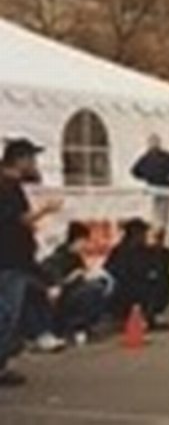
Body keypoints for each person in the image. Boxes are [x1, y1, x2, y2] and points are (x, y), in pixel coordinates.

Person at [0, 137, 66, 386]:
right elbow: (18, 219)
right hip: (9, 260)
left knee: (16, 309)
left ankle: (8, 359)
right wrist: (46, 209)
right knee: (6, 314)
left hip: (16, 259)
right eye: (32, 158)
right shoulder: (7, 186)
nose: (35, 164)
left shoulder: (10, 185)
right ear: (21, 160)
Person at [40, 221, 110, 344]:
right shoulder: (59, 257)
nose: (86, 245)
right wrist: (73, 277)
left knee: (101, 284)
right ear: (77, 240)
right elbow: (57, 283)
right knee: (93, 290)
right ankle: (75, 327)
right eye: (85, 241)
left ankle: (85, 325)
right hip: (64, 297)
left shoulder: (76, 257)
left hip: (75, 291)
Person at [104, 218, 169, 332]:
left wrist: (159, 244)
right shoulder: (121, 251)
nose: (144, 237)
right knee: (151, 285)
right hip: (125, 292)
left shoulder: (144, 250)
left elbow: (165, 260)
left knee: (164, 280)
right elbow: (114, 272)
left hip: (139, 288)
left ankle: (148, 316)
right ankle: (138, 318)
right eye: (143, 233)